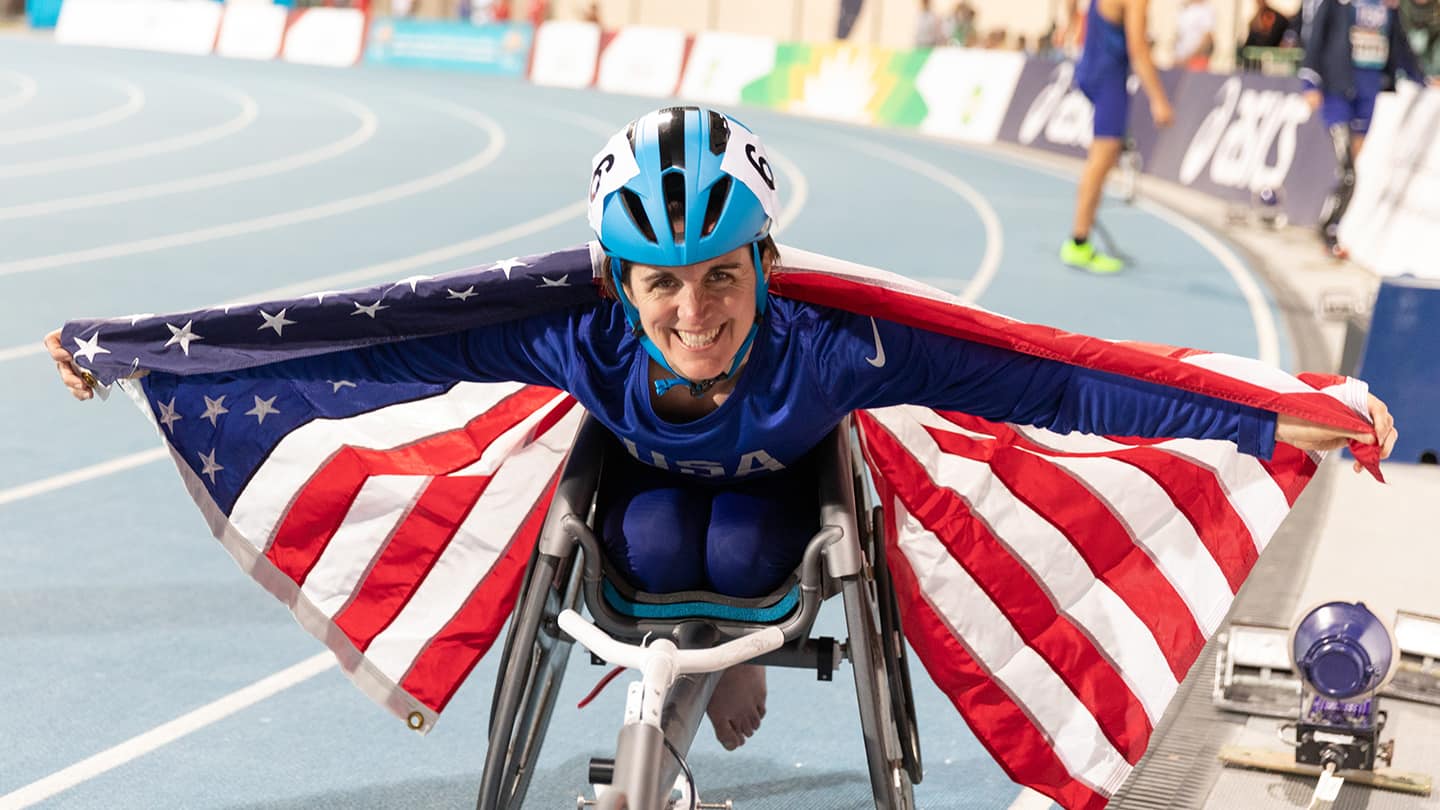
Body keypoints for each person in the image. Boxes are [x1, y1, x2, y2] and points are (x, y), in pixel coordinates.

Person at [45, 106, 1398, 752]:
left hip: (781, 489)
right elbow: (374, 339)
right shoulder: (566, 335)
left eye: (722, 276)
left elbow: (1060, 382)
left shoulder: (839, 344)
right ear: (616, 284)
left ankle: (712, 684)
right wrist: (128, 348)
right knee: (638, 529)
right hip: (636, 485)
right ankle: (686, 698)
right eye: (661, 284)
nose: (694, 311)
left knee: (736, 539)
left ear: (766, 264)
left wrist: (1282, 407)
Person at [1299, 0, 1426, 257]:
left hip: (1368, 92)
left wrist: (1421, 79)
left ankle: (1329, 220)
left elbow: (1399, 44)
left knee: (1352, 166)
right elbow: (1317, 38)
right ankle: (1330, 230)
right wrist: (1310, 82)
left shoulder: (1388, 6)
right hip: (1338, 92)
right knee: (1348, 170)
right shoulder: (1337, 3)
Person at [1060, 0, 1174, 273]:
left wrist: (1072, 24)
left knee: (1102, 159)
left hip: (1090, 67)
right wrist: (1158, 99)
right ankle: (1078, 242)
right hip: (1108, 76)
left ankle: (1080, 238)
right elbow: (1138, 49)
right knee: (1100, 161)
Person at [1174, 0, 1217, 70]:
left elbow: (1207, 39)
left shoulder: (1207, 9)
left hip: (1197, 61)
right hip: (1180, 61)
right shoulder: (1185, 8)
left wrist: (1189, 58)